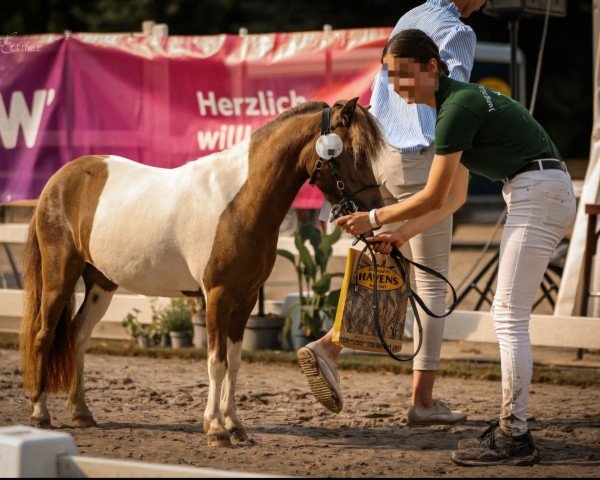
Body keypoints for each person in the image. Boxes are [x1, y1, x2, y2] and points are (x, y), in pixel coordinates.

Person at [336, 29, 576, 466]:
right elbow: (455, 200)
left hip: (537, 192)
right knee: (509, 315)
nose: (397, 88)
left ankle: (515, 434)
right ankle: (512, 428)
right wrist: (403, 236)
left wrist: (373, 219)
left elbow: (431, 196)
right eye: (391, 78)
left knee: (507, 315)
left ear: (432, 66)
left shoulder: (455, 110)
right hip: (540, 188)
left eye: (404, 76)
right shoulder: (458, 104)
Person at [300, 0, 485, 426]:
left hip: (381, 155)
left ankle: (330, 346)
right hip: (421, 157)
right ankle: (421, 402)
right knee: (431, 282)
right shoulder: (458, 31)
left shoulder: (409, 18)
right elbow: (453, 104)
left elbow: (387, 93)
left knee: (386, 262)